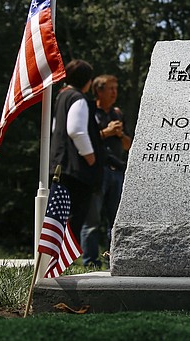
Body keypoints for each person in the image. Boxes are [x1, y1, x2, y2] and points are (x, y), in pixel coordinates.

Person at [50, 60, 105, 258]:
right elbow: (76, 130)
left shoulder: (61, 96)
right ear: (87, 80)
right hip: (77, 169)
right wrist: (90, 158)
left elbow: (56, 128)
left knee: (60, 216)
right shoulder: (78, 98)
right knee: (75, 216)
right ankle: (63, 259)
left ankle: (55, 259)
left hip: (59, 165)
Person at [81, 74, 132, 265]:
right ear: (98, 91)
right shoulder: (90, 112)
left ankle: (115, 260)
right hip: (98, 171)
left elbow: (128, 145)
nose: (114, 92)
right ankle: (90, 261)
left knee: (116, 221)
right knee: (92, 220)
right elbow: (84, 139)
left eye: (116, 88)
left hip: (118, 171)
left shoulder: (117, 114)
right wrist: (106, 133)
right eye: (110, 88)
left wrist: (119, 134)